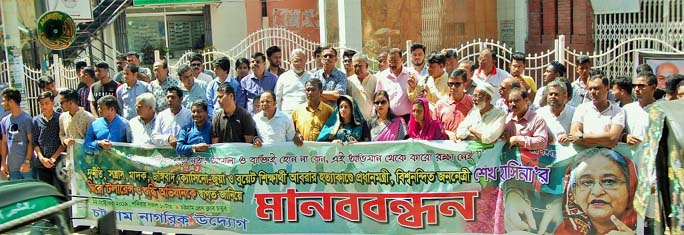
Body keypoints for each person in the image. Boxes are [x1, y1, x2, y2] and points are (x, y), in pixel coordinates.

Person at [556, 148, 637, 235]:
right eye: (586, 182)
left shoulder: (647, 227)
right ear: (573, 193)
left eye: (609, 181)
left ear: (630, 188)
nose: (597, 191)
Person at [567, 74, 625, 148]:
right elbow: (574, 135)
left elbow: (613, 138)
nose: (592, 92)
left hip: (607, 158)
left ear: (607, 89)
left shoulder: (618, 111)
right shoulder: (582, 109)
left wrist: (582, 137)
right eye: (590, 89)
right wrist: (604, 141)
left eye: (596, 88)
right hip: (586, 158)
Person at [32, 92, 65, 192]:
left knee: (61, 190)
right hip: (42, 163)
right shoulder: (36, 120)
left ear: (53, 103)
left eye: (47, 103)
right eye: (41, 104)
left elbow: (63, 141)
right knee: (46, 190)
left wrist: (53, 158)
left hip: (58, 162)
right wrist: (42, 158)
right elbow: (35, 142)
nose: (44, 106)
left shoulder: (60, 118)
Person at [0, 88, 35, 180]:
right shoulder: (4, 121)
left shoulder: (27, 119)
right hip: (12, 168)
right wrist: (3, 163)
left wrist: (27, 162)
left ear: (11, 101)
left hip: (27, 168)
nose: (2, 104)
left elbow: (31, 142)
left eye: (4, 101)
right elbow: (4, 142)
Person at [376, 48, 415, 121]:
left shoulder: (411, 74)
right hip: (389, 119)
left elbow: (418, 96)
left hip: (408, 118)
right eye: (390, 61)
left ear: (402, 60)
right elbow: (378, 98)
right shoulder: (382, 76)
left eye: (395, 61)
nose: (392, 64)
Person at [435, 69, 474, 140]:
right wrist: (447, 133)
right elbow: (435, 128)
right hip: (446, 145)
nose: (453, 87)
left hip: (467, 146)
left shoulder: (473, 103)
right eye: (450, 84)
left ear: (465, 84)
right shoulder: (440, 104)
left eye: (457, 84)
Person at [291, 79, 334, 143]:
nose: (310, 93)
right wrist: (296, 136)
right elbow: (291, 133)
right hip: (302, 150)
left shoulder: (329, 111)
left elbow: (333, 133)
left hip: (322, 151)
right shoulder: (297, 111)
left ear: (321, 92)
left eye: (313, 90)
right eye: (308, 90)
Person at [622, 73, 657, 146]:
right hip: (631, 154)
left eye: (641, 86)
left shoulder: (661, 110)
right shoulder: (627, 109)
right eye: (634, 86)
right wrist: (625, 137)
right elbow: (617, 132)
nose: (636, 89)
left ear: (653, 87)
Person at [274, 49, 311, 116]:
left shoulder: (311, 77)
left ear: (305, 61)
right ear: (290, 61)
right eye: (296, 61)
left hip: (306, 115)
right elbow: (277, 98)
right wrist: (278, 115)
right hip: (286, 115)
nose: (299, 63)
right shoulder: (283, 77)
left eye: (301, 60)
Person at [346, 53, 377, 119]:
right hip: (355, 120)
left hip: (371, 120)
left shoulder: (375, 80)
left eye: (360, 66)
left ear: (367, 65)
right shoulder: (349, 81)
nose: (357, 68)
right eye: (355, 66)